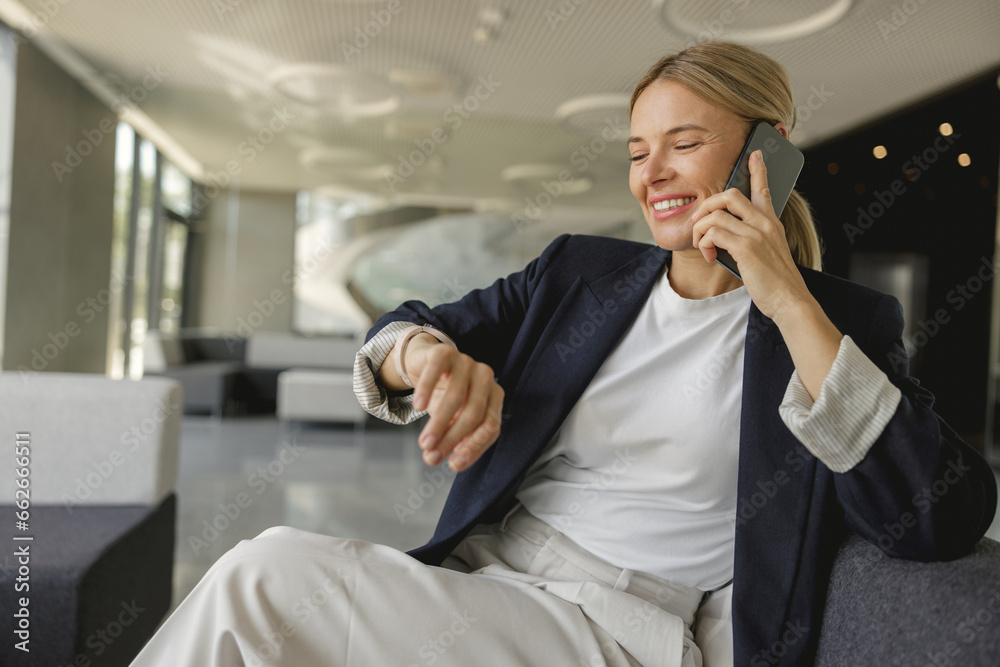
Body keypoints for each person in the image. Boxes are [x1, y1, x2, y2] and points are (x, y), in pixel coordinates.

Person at [131, 41, 997, 667]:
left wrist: (785, 297)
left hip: (617, 627)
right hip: (490, 579)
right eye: (636, 151)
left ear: (766, 154)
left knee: (260, 579)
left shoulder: (841, 322)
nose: (651, 173)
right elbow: (403, 325)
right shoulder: (581, 273)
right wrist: (427, 356)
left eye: (684, 144)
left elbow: (939, 513)